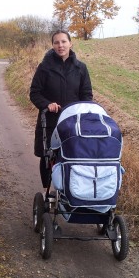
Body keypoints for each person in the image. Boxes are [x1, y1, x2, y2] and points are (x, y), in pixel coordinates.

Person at [29, 29, 93, 190]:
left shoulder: (81, 69)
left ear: (70, 44)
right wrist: (46, 104)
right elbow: (34, 93)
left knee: (73, 155)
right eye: (56, 42)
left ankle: (72, 190)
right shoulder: (44, 67)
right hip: (50, 121)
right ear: (52, 45)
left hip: (73, 123)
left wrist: (82, 112)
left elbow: (86, 95)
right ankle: (47, 191)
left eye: (64, 41)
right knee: (47, 157)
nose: (60, 45)